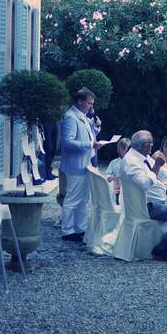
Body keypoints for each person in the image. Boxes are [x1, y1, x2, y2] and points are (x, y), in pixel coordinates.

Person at [123, 130, 167, 260]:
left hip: (156, 202)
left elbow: (161, 171)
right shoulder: (131, 162)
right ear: (145, 146)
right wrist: (156, 166)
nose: (153, 146)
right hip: (148, 207)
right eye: (151, 144)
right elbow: (144, 184)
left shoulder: (141, 157)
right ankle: (162, 246)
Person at [59, 88, 100, 242]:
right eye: (89, 103)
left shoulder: (82, 116)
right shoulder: (70, 117)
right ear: (79, 101)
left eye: (92, 103)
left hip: (84, 164)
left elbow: (88, 134)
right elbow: (68, 143)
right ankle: (68, 230)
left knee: (83, 199)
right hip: (75, 166)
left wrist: (96, 127)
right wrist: (91, 144)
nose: (91, 106)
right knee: (72, 198)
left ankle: (80, 228)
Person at [105, 137, 131, 204]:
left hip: (128, 190)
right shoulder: (114, 162)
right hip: (116, 188)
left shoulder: (132, 163)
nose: (126, 151)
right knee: (116, 204)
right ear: (119, 149)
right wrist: (109, 178)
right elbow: (107, 173)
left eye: (127, 149)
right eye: (124, 149)